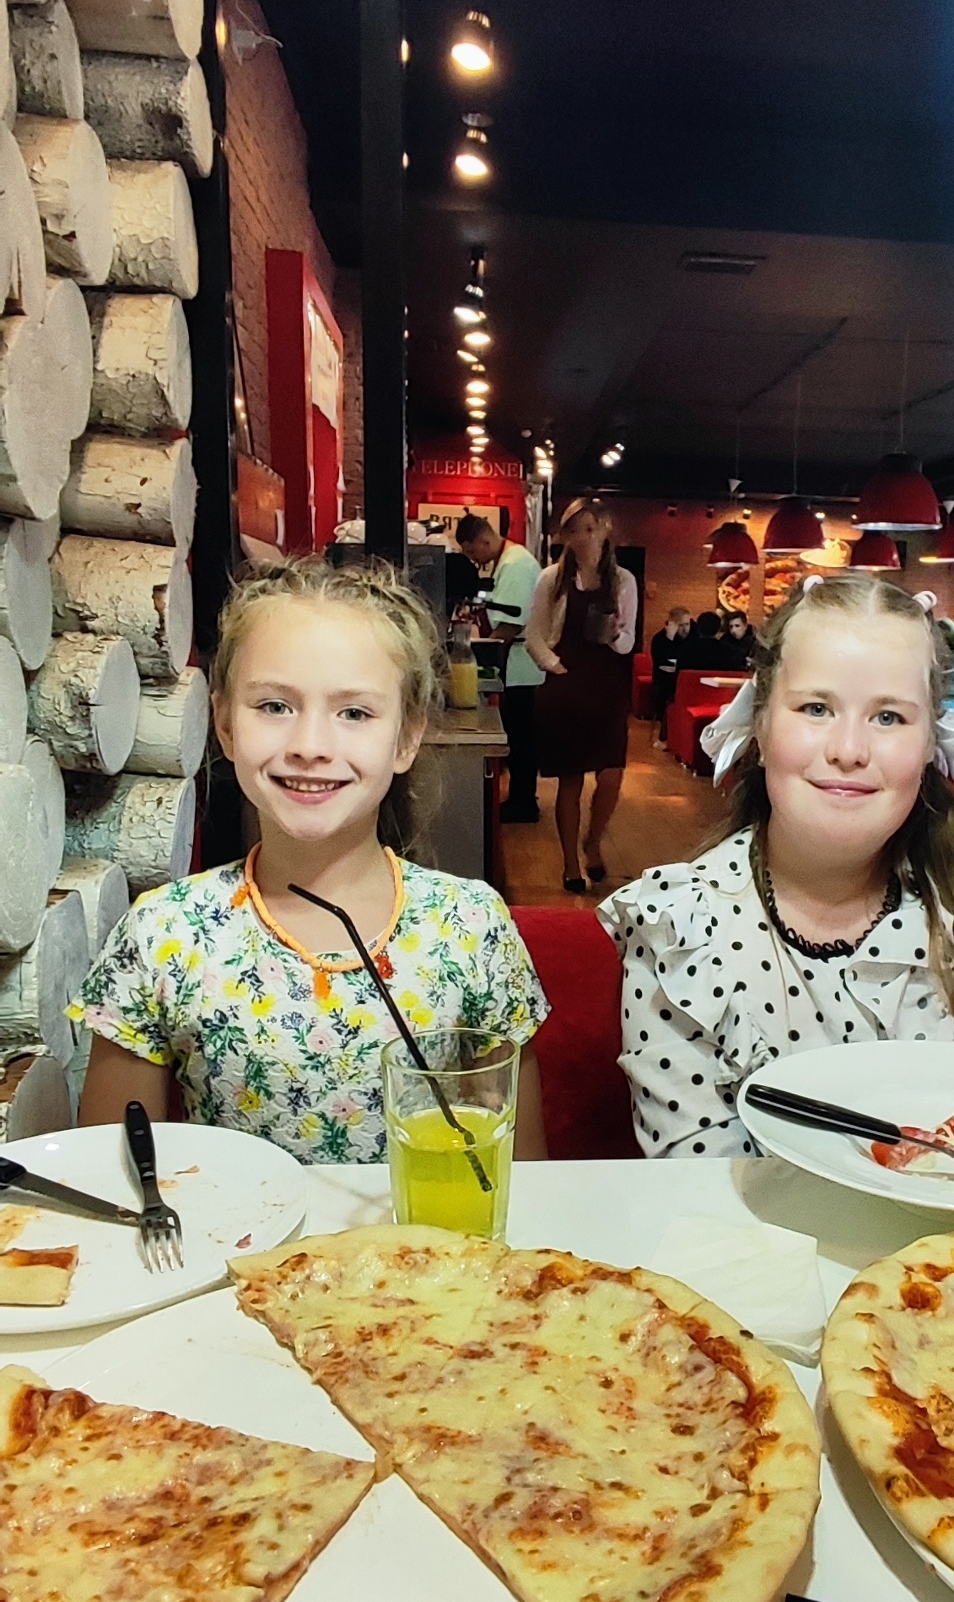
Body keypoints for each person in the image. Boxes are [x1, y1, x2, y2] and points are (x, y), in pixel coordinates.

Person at [74, 556, 548, 1164]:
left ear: (406, 737)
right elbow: (114, 1180)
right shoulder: (163, 933)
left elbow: (521, 1175)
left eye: (355, 713)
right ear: (224, 723)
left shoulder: (472, 926)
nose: (310, 746)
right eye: (274, 706)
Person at [599, 570, 954, 1158]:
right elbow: (699, 1182)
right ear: (759, 724)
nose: (849, 750)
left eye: (889, 717)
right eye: (816, 708)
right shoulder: (680, 935)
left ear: (932, 743)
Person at [525, 496, 638, 893]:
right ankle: (571, 864)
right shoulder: (551, 579)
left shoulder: (623, 581)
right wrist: (554, 665)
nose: (584, 537)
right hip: (567, 687)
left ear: (605, 530)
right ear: (566, 537)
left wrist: (616, 635)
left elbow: (629, 642)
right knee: (570, 781)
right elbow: (533, 636)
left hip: (607, 687)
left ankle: (593, 841)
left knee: (611, 776)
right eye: (575, 530)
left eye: (591, 529)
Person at [455, 509, 543, 822]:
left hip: (522, 666)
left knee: (521, 738)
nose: (474, 560)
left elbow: (509, 623)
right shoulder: (507, 560)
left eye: (472, 553)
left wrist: (483, 652)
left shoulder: (516, 564)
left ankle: (524, 803)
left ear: (484, 540)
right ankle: (520, 798)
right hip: (516, 663)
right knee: (518, 736)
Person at [650, 605, 693, 745]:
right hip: (664, 681)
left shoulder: (691, 639)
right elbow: (661, 660)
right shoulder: (659, 639)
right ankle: (665, 736)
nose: (685, 629)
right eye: (681, 625)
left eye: (687, 624)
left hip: (684, 680)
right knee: (667, 692)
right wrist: (669, 638)